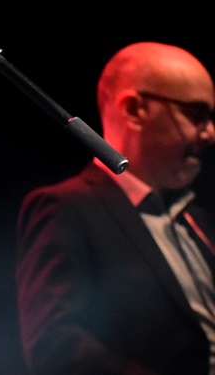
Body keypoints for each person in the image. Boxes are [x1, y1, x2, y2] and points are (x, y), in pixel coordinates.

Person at [15, 41, 215, 375]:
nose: (209, 133)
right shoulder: (66, 208)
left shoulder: (195, 217)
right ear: (135, 110)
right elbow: (55, 344)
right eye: (196, 115)